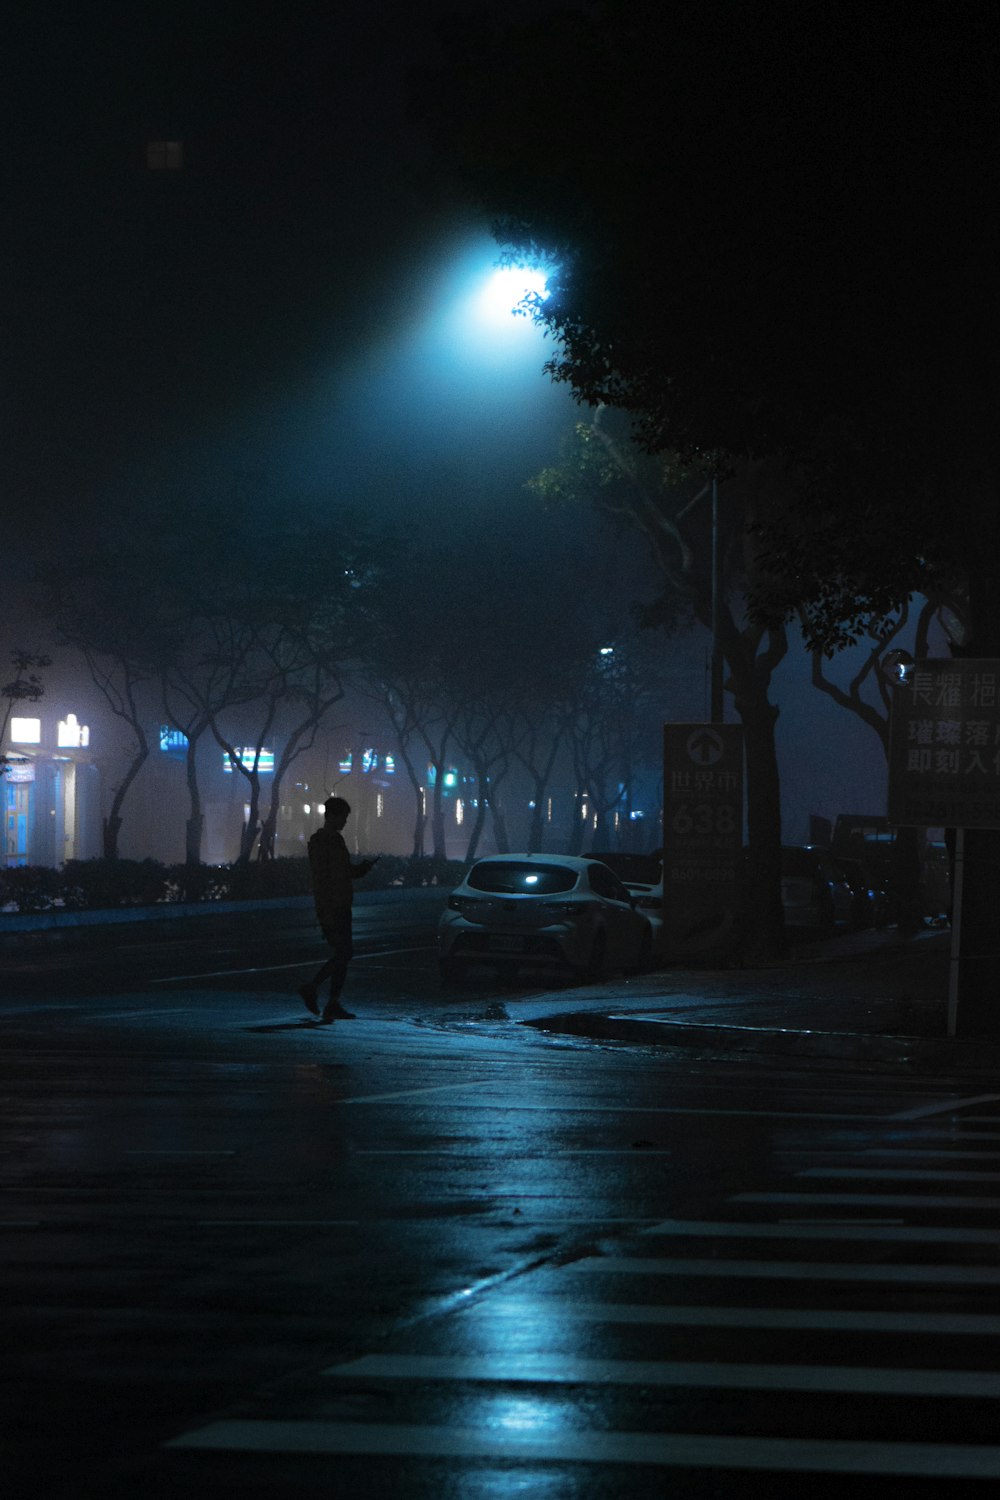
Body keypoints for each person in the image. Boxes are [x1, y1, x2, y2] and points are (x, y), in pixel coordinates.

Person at [299, 796, 378, 1024]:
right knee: (344, 953)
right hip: (333, 906)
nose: (344, 821)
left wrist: (362, 869)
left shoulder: (334, 841)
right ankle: (315, 989)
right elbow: (323, 878)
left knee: (343, 954)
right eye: (342, 817)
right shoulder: (323, 842)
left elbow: (344, 872)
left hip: (341, 904)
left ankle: (331, 1001)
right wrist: (326, 908)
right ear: (331, 816)